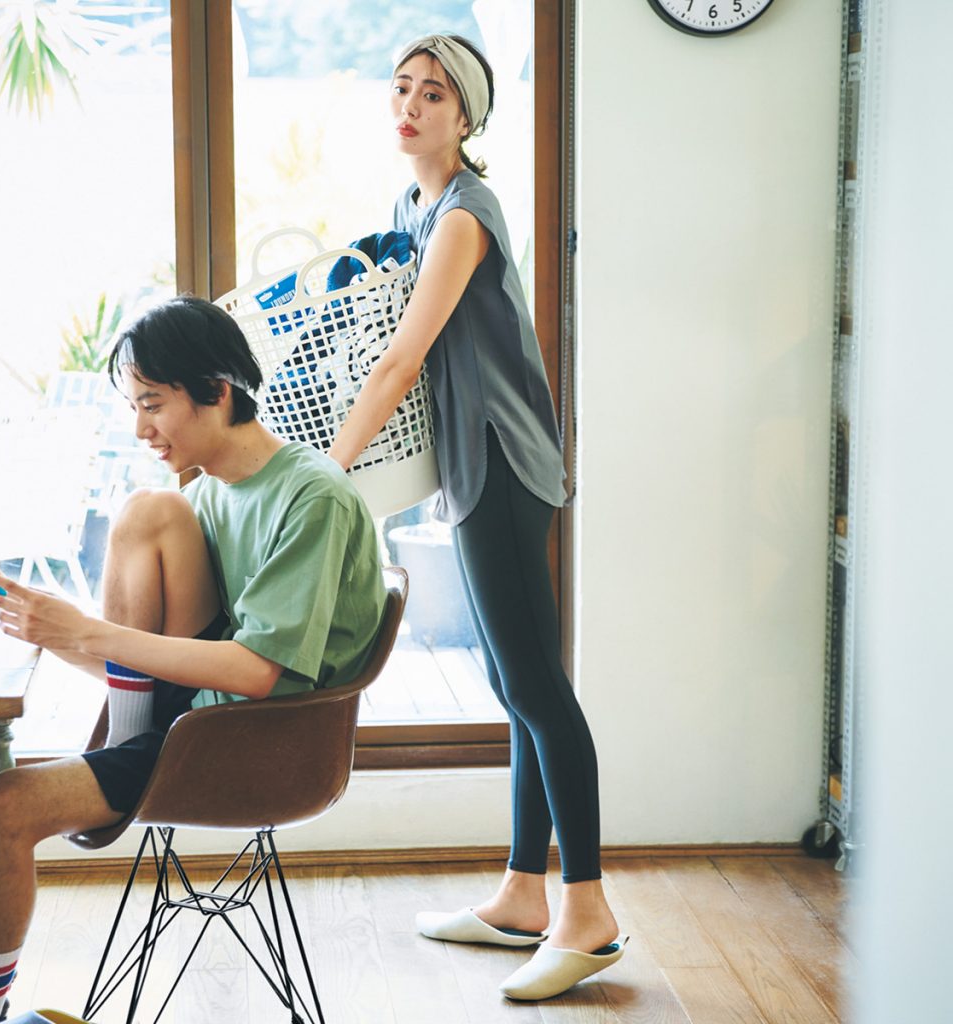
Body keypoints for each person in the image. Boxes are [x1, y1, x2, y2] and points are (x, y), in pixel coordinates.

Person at [0, 295, 386, 1024]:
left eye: (153, 403)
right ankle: (134, 743)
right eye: (133, 405)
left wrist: (85, 631)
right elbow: (139, 665)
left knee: (1, 809)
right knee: (148, 510)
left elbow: (255, 673)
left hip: (257, 742)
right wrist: (2, 597)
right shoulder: (202, 497)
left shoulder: (312, 496)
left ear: (218, 389)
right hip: (187, 721)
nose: (139, 427)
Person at [326, 34, 626, 1001]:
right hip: (473, 466)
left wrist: (328, 469)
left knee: (537, 685)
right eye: (402, 89)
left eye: (435, 94)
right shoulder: (413, 209)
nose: (410, 106)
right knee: (513, 679)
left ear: (468, 117)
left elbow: (401, 360)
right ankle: (521, 895)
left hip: (503, 462)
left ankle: (588, 913)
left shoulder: (462, 216)